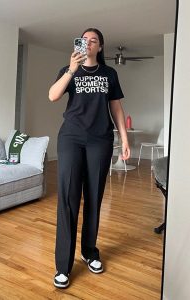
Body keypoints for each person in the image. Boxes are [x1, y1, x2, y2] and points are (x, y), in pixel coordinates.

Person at [49, 28, 130, 289]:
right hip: (71, 138)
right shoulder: (68, 69)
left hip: (100, 140)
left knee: (94, 197)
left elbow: (116, 107)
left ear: (100, 46)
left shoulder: (109, 74)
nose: (88, 43)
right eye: (84, 40)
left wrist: (124, 139)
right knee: (68, 200)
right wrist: (72, 69)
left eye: (93, 40)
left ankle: (89, 251)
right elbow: (53, 96)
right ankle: (63, 265)